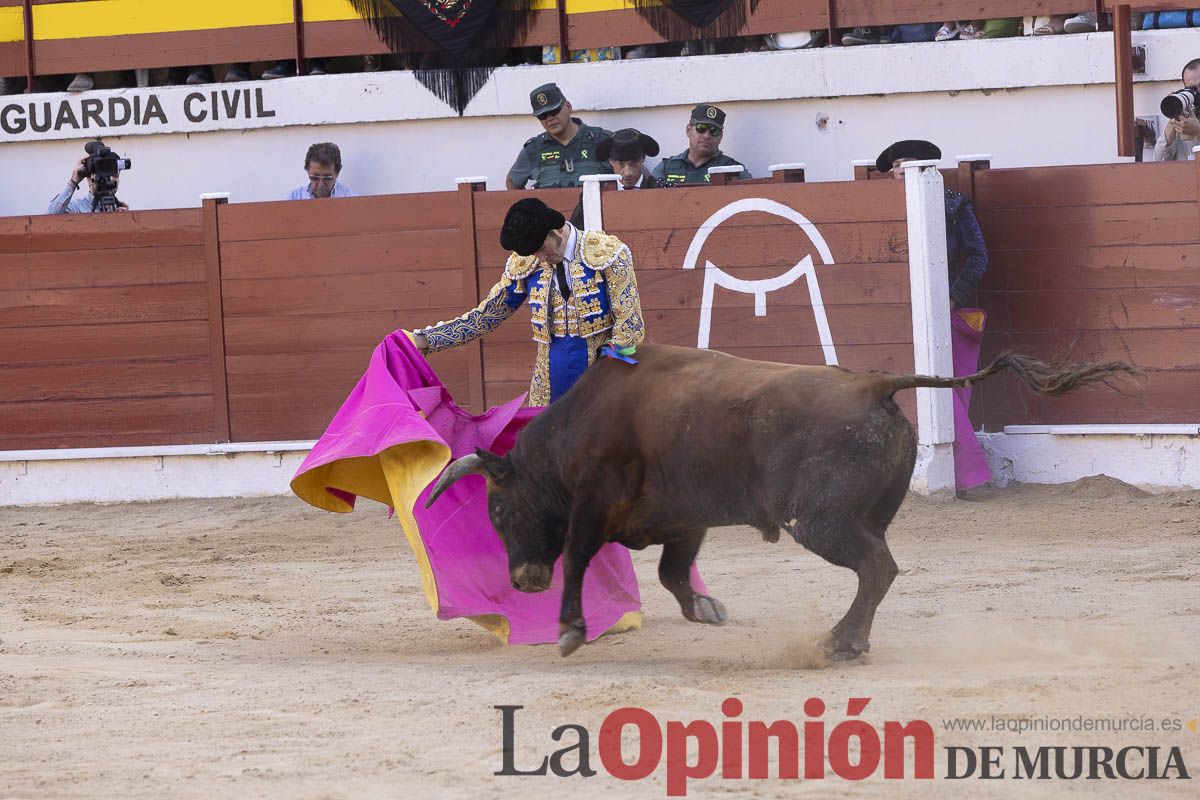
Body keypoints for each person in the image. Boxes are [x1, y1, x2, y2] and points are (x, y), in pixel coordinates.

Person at [411, 198, 644, 406]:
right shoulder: (527, 263)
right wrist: (429, 339)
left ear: (557, 231)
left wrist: (609, 373)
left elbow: (630, 326)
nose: (541, 259)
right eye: (534, 254)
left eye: (542, 249)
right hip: (548, 385)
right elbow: (488, 315)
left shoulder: (608, 253)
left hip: (602, 377)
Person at [876, 139, 990, 490]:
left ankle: (969, 476)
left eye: (907, 164)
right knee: (940, 392)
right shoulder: (879, 208)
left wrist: (951, 298)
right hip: (895, 315)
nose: (900, 171)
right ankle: (971, 478)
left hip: (947, 315)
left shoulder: (953, 205)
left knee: (947, 393)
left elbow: (978, 258)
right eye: (896, 166)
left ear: (929, 168)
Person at [505, 84, 613, 190]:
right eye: (542, 116)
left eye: (554, 111)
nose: (549, 118)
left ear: (568, 106)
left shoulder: (602, 140)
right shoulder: (533, 149)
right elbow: (512, 182)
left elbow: (626, 173)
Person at [569, 128, 662, 228]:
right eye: (621, 164)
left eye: (633, 163)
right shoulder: (595, 193)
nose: (627, 173)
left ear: (642, 159)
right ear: (611, 161)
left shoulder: (657, 188)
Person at [652, 104, 751, 187]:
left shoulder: (734, 171)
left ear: (720, 137)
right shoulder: (666, 168)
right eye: (701, 128)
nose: (707, 136)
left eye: (714, 131)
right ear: (688, 130)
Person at [48, 154, 128, 214]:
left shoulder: (120, 209)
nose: (110, 179)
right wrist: (73, 182)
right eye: (102, 176)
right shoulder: (76, 208)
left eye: (115, 175)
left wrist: (125, 220)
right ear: (89, 179)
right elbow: (50, 217)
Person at [1157, 58, 1200, 161]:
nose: (1197, 92)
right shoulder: (1185, 120)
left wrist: (1198, 131)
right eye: (1192, 89)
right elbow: (1158, 161)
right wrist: (1174, 113)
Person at [287, 143, 357, 200]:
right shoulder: (294, 198)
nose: (321, 184)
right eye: (315, 178)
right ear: (307, 171)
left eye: (327, 178)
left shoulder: (353, 199)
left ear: (337, 173)